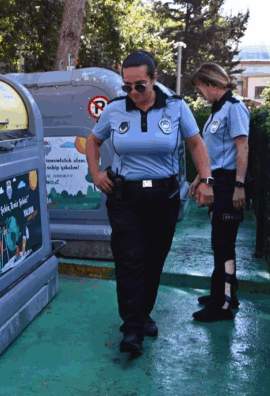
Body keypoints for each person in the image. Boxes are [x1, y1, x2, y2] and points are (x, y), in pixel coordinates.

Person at [86, 50, 215, 354]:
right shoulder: (115, 110)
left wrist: (206, 179)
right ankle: (131, 329)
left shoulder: (176, 107)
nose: (132, 93)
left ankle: (143, 314)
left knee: (154, 259)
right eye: (126, 87)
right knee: (130, 259)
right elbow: (94, 140)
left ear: (155, 79)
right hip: (125, 197)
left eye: (139, 86)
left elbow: (195, 142)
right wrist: (95, 172)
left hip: (163, 197)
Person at [189, 63, 251, 322]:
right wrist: (199, 178)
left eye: (200, 89)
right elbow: (212, 153)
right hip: (217, 181)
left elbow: (243, 148)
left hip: (228, 184)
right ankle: (227, 294)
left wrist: (239, 185)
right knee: (222, 243)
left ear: (210, 84)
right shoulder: (219, 110)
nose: (199, 94)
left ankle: (222, 304)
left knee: (223, 245)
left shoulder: (234, 108)